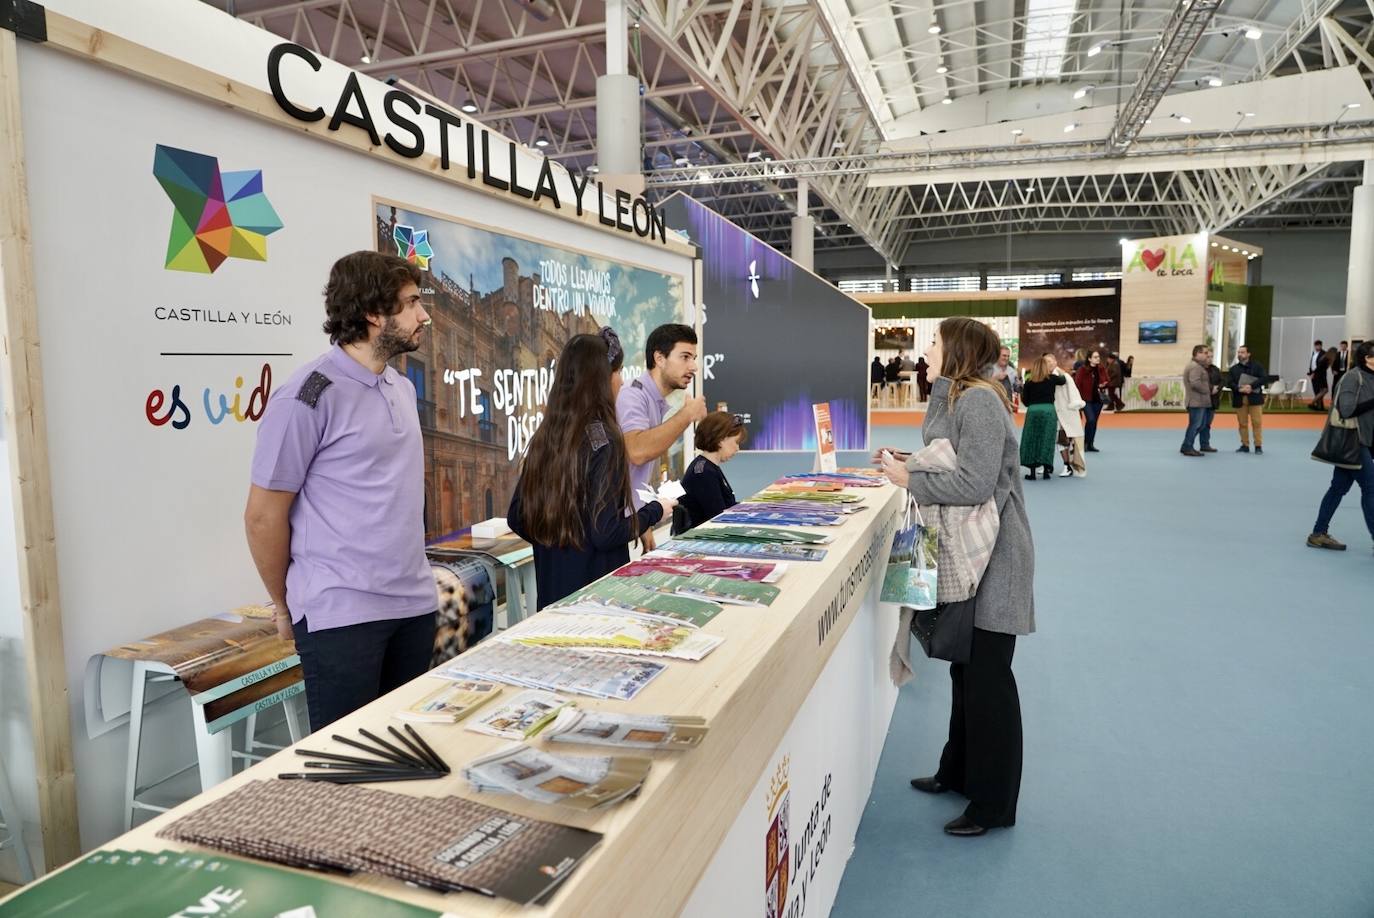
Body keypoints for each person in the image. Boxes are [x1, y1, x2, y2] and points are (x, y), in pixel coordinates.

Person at [245, 251, 438, 732]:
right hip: (342, 614)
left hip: (414, 605)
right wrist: (285, 604)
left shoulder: (400, 387)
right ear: (374, 315)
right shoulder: (307, 395)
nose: (424, 315)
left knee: (404, 755)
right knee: (346, 767)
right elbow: (262, 517)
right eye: (411, 303)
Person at [875, 317, 1034, 838]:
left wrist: (910, 476)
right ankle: (959, 773)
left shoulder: (980, 401)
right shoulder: (958, 396)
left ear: (959, 350)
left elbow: (974, 480)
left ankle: (993, 804)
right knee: (966, 673)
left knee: (989, 680)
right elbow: (945, 449)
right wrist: (909, 461)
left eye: (937, 342)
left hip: (993, 558)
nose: (928, 348)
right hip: (971, 556)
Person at [509, 329, 676, 609]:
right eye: (618, 372)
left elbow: (517, 517)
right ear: (601, 378)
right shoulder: (605, 441)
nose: (621, 381)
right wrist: (655, 510)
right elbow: (606, 532)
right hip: (597, 601)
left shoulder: (546, 436)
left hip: (552, 601)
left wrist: (561, 546)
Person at [617, 323, 707, 551]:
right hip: (614, 526)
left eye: (693, 358)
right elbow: (636, 452)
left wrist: (643, 520)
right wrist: (687, 415)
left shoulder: (654, 400)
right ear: (659, 358)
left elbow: (634, 471)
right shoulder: (633, 394)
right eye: (685, 357)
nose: (694, 366)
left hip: (631, 522)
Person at [1306, 340, 1374, 551]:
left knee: (1338, 488)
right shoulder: (1352, 378)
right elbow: (1346, 410)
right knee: (1371, 488)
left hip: (1364, 443)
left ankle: (1318, 533)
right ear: (1367, 358)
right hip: (1354, 443)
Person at [678, 411, 746, 531]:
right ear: (721, 440)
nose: (737, 449)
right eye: (736, 442)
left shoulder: (708, 467)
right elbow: (718, 517)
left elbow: (727, 505)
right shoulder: (704, 473)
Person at [1018, 354, 1064, 480]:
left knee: (1032, 439)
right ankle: (1046, 471)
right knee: (1047, 439)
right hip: (1048, 411)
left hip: (1033, 411)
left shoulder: (1029, 382)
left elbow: (1026, 402)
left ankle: (1032, 473)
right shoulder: (1052, 378)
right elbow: (1063, 379)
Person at [1229, 345, 1267, 454]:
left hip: (1255, 399)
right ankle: (1244, 445)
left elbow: (1264, 378)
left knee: (1257, 422)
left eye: (1242, 352)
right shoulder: (1234, 369)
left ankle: (1258, 446)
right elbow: (1230, 383)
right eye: (1239, 352)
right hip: (1240, 399)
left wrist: (1251, 386)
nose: (1240, 354)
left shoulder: (1257, 366)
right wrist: (1239, 388)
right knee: (1242, 423)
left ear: (1248, 354)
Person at [1053, 361, 1087, 477]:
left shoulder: (1064, 376)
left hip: (1066, 413)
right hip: (1053, 413)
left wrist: (1074, 405)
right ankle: (1046, 466)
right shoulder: (1043, 376)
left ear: (1054, 362)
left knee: (1067, 440)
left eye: (1049, 361)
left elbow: (1073, 393)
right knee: (1053, 440)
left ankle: (1070, 466)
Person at [1181, 344, 1213, 457]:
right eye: (1205, 353)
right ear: (1197, 353)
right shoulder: (1195, 367)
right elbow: (1195, 383)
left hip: (1198, 401)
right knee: (1195, 425)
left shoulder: (1196, 366)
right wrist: (1208, 389)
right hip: (1196, 401)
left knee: (1200, 425)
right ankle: (1187, 447)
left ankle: (1186, 445)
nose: (1207, 355)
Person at [1073, 350, 1108, 452]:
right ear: (1089, 359)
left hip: (1098, 400)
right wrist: (1077, 399)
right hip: (1086, 400)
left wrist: (1103, 384)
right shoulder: (1082, 370)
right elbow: (1077, 384)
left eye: (1098, 357)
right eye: (1095, 357)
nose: (1098, 359)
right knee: (1091, 419)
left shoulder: (1101, 369)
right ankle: (1085, 443)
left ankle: (1090, 444)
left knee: (1094, 422)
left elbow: (1107, 380)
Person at [1203, 349, 1223, 452]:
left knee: (1207, 424)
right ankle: (1189, 444)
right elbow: (1199, 382)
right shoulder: (1198, 369)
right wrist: (1211, 388)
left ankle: (1205, 445)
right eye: (1208, 357)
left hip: (1213, 401)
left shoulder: (1216, 369)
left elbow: (1222, 381)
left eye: (1211, 357)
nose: (1210, 359)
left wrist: (1217, 388)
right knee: (1198, 425)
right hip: (1201, 401)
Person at [992, 346, 1020, 412]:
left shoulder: (1013, 371)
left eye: (1008, 356)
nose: (1006, 358)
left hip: (1008, 407)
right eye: (1004, 356)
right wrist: (995, 378)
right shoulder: (990, 370)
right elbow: (983, 385)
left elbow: (1017, 390)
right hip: (992, 405)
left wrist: (1019, 385)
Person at [1309, 339, 1328, 411]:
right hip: (1313, 375)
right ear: (1315, 346)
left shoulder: (1324, 353)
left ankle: (1313, 402)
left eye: (1319, 345)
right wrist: (1310, 373)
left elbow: (1321, 365)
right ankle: (1319, 407)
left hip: (1320, 375)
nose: (1318, 347)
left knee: (1324, 390)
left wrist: (1314, 373)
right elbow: (1311, 364)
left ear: (1321, 346)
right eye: (1316, 345)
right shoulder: (1314, 353)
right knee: (1317, 391)